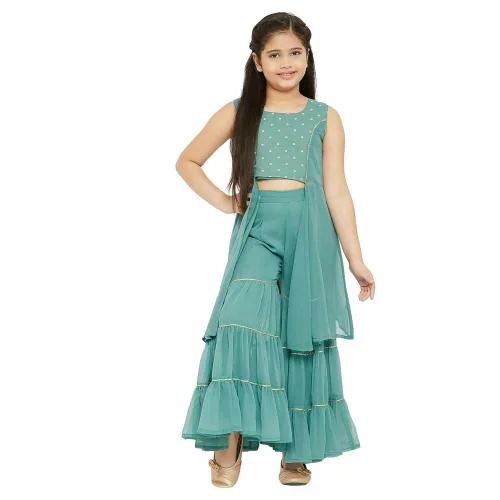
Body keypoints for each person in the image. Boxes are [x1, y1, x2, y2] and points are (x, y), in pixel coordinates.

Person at [176, 11, 375, 487]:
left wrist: (356, 259)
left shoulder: (324, 117)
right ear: (257, 61)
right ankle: (228, 444)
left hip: (311, 232)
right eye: (275, 54)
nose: (286, 62)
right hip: (259, 230)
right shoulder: (239, 110)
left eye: (295, 52)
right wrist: (226, 201)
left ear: (307, 56)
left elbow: (337, 190)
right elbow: (188, 161)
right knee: (238, 323)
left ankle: (296, 452)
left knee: (300, 336)